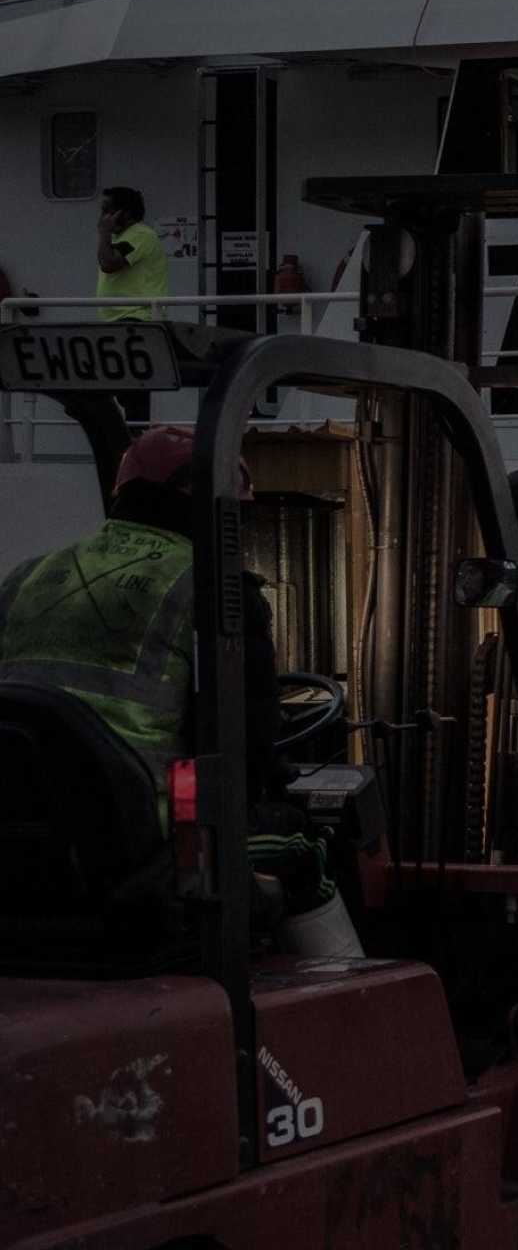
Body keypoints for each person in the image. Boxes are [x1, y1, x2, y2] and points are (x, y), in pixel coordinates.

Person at [0, 426, 355, 956]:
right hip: (141, 843)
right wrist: (278, 786)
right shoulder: (215, 589)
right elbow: (248, 747)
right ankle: (351, 1018)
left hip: (23, 840)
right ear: (213, 505)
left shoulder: (25, 577)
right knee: (301, 846)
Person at [95, 187, 168, 423]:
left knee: (133, 391)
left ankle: (138, 441)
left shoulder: (140, 235)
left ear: (123, 213)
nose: (103, 217)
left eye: (107, 211)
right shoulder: (123, 239)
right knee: (123, 389)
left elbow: (109, 263)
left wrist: (103, 233)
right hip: (118, 322)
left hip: (136, 321)